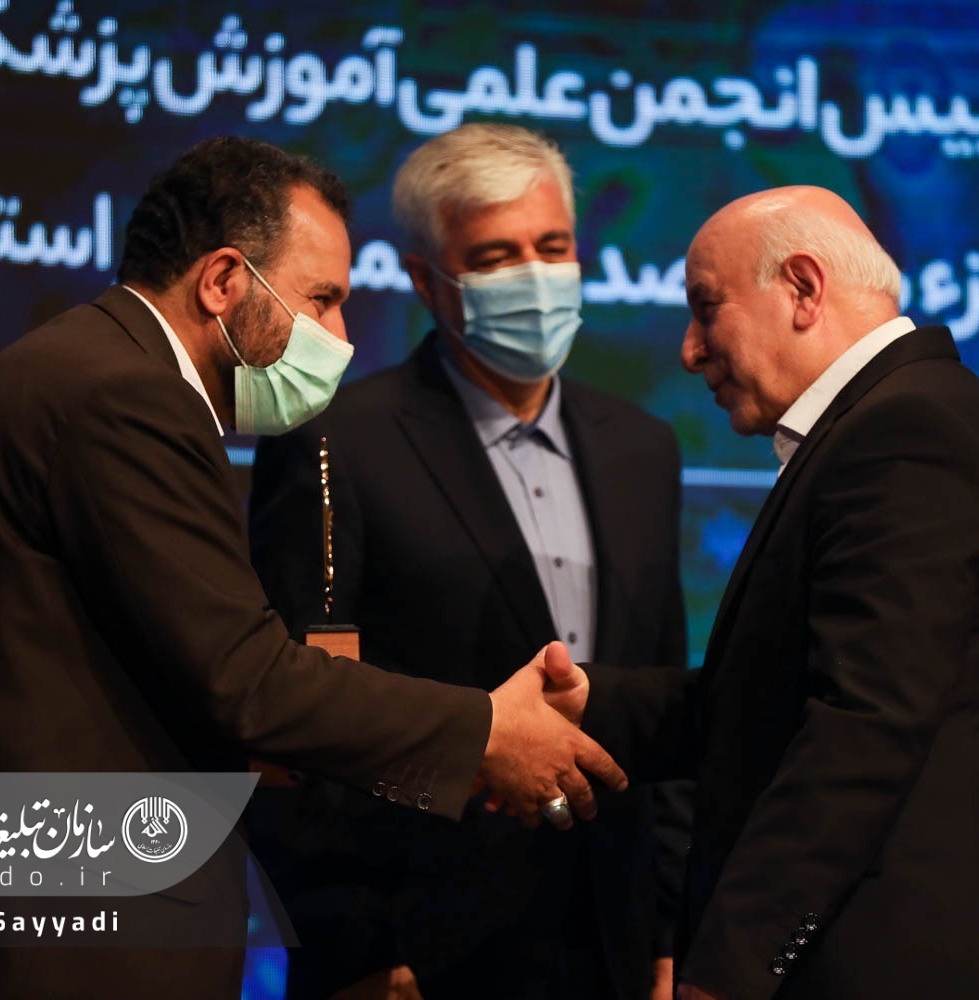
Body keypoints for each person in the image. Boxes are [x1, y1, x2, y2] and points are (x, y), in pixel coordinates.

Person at [0, 137, 625, 1000]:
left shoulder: (80, 366)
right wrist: (486, 731)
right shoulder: (126, 396)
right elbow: (247, 681)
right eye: (322, 300)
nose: (338, 338)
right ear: (222, 281)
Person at [544, 186, 979, 999]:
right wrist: (586, 704)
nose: (689, 351)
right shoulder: (883, 427)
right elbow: (769, 703)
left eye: (706, 308)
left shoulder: (912, 435)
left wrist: (730, 971)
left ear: (802, 288)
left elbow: (860, 729)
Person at [248, 122, 690, 1000]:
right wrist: (354, 947)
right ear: (426, 282)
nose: (534, 275)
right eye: (495, 257)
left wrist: (674, 930)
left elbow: (667, 703)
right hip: (421, 953)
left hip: (613, 944)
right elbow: (289, 718)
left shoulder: (643, 447)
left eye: (552, 248)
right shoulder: (336, 441)